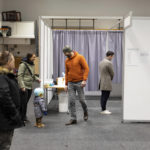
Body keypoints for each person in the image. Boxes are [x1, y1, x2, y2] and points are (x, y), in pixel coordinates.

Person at [0, 51, 24, 150]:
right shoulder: (2, 77)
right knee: (4, 146)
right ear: (9, 61)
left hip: (6, 119)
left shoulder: (6, 76)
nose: (14, 63)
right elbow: (5, 97)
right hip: (4, 120)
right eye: (13, 60)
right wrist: (14, 114)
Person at [63, 45, 89, 125]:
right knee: (71, 101)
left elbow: (86, 68)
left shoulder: (80, 57)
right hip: (70, 83)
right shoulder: (67, 60)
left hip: (79, 82)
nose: (65, 55)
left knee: (82, 100)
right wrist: (66, 84)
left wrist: (84, 80)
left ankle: (85, 111)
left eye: (66, 53)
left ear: (70, 51)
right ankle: (73, 118)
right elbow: (67, 73)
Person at [17, 53, 40, 122]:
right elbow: (20, 76)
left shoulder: (32, 64)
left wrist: (37, 79)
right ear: (29, 57)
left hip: (30, 86)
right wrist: (22, 86)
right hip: (24, 86)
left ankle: (22, 116)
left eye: (35, 57)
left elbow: (32, 75)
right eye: (33, 57)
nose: (34, 58)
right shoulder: (23, 65)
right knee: (23, 103)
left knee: (25, 102)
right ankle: (22, 118)